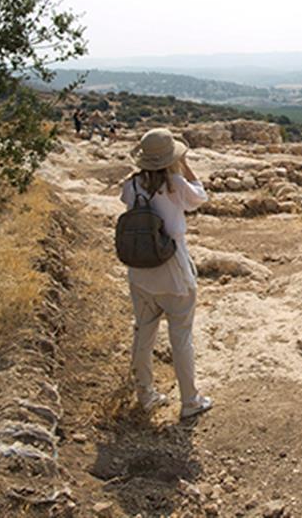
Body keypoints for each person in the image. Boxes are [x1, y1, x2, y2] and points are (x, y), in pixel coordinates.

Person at [120, 128, 213, 419]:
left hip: (140, 269)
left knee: (144, 332)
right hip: (172, 269)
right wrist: (184, 165)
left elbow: (131, 203)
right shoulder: (175, 185)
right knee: (181, 336)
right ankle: (190, 401)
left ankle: (145, 394)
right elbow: (201, 196)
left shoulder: (131, 186)